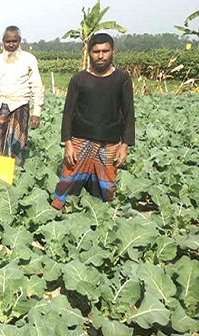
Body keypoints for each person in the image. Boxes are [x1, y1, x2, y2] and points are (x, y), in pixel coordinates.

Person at [51, 33, 135, 210]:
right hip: (80, 139)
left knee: (107, 185)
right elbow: (68, 113)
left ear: (113, 51)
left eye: (105, 51)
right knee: (68, 179)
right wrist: (68, 143)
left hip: (110, 141)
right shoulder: (79, 79)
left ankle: (103, 214)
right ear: (89, 53)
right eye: (96, 51)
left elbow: (128, 113)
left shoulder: (122, 79)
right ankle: (59, 209)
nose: (101, 55)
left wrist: (125, 145)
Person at [0, 26, 44, 166]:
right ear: (2, 42)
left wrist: (36, 113)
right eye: (7, 41)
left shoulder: (29, 59)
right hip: (1, 105)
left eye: (14, 41)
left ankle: (17, 176)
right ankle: (0, 181)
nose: (10, 45)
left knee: (18, 145)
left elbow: (37, 86)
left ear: (20, 41)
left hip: (20, 105)